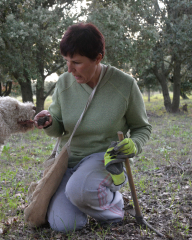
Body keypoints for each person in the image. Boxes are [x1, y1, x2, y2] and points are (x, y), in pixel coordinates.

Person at [34, 22, 152, 232]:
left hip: (105, 157)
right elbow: (59, 129)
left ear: (98, 58)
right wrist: (50, 123)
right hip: (69, 162)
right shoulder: (64, 83)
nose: (69, 69)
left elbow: (142, 127)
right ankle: (82, 197)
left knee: (79, 190)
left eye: (77, 62)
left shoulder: (124, 85)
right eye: (67, 61)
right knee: (64, 225)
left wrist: (134, 144)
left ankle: (114, 207)